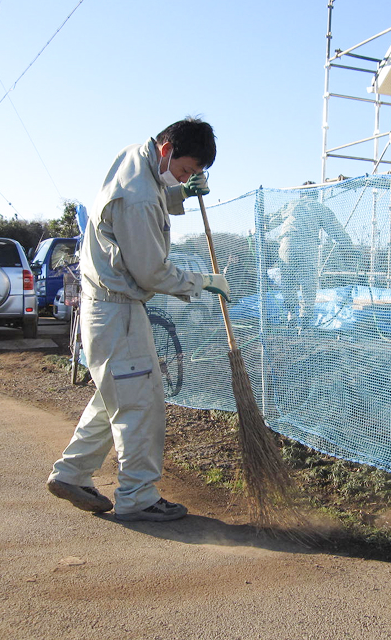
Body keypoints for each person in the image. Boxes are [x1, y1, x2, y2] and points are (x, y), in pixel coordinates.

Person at [47, 117, 229, 522]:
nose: (183, 176)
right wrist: (202, 281)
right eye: (184, 169)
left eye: (192, 174)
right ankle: (137, 496)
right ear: (166, 150)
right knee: (140, 403)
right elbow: (151, 272)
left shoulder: (136, 157)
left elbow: (151, 198)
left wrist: (180, 192)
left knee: (114, 394)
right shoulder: (141, 196)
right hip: (118, 310)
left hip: (107, 306)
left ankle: (72, 473)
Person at [266, 182, 352, 330]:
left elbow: (271, 221)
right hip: (307, 247)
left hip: (288, 245)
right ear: (316, 194)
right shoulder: (319, 207)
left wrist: (258, 227)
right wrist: (348, 245)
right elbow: (335, 229)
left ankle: (291, 316)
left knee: (288, 282)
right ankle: (305, 320)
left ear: (301, 194)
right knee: (308, 284)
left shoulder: (291, 204)